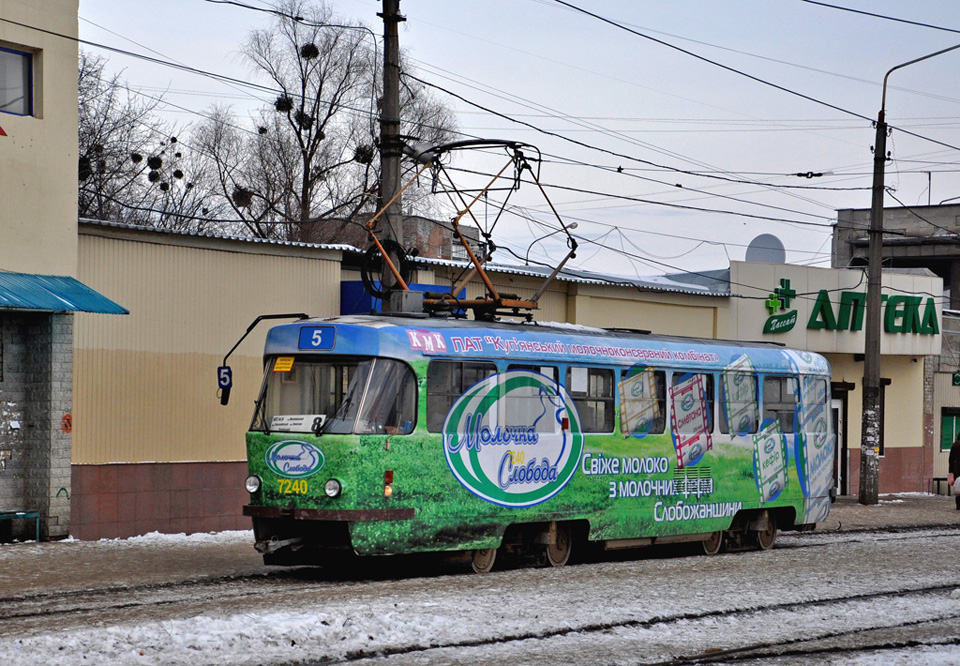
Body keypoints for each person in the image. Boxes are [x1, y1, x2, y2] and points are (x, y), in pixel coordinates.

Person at [949, 435, 960, 510]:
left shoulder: (955, 445)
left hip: (957, 469)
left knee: (958, 487)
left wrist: (951, 471)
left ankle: (958, 505)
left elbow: (951, 460)